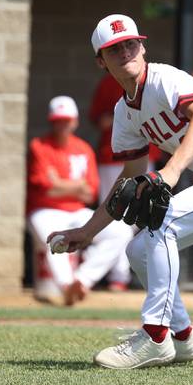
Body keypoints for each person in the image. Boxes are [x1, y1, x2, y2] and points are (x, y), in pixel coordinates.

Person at [47, 14, 193, 369]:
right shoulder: (124, 114)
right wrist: (87, 231)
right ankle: (182, 336)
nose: (126, 51)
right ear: (101, 60)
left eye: (131, 43)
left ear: (143, 46)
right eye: (115, 48)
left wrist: (170, 173)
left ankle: (154, 336)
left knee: (161, 222)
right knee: (139, 248)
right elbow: (129, 178)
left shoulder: (164, 78)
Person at [26, 95, 131, 306]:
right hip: (45, 209)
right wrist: (76, 186)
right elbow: (47, 190)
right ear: (51, 120)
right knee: (53, 237)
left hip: (76, 211)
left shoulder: (83, 149)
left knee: (121, 231)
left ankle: (82, 281)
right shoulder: (40, 146)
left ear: (75, 121)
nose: (62, 125)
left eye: (66, 120)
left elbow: (90, 193)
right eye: (58, 120)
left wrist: (60, 185)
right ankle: (66, 287)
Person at [89, 73, 162, 292]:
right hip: (112, 157)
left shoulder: (154, 82)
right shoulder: (108, 83)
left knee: (140, 216)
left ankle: (126, 274)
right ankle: (117, 275)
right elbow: (99, 120)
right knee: (112, 215)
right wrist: (126, 116)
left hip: (146, 157)